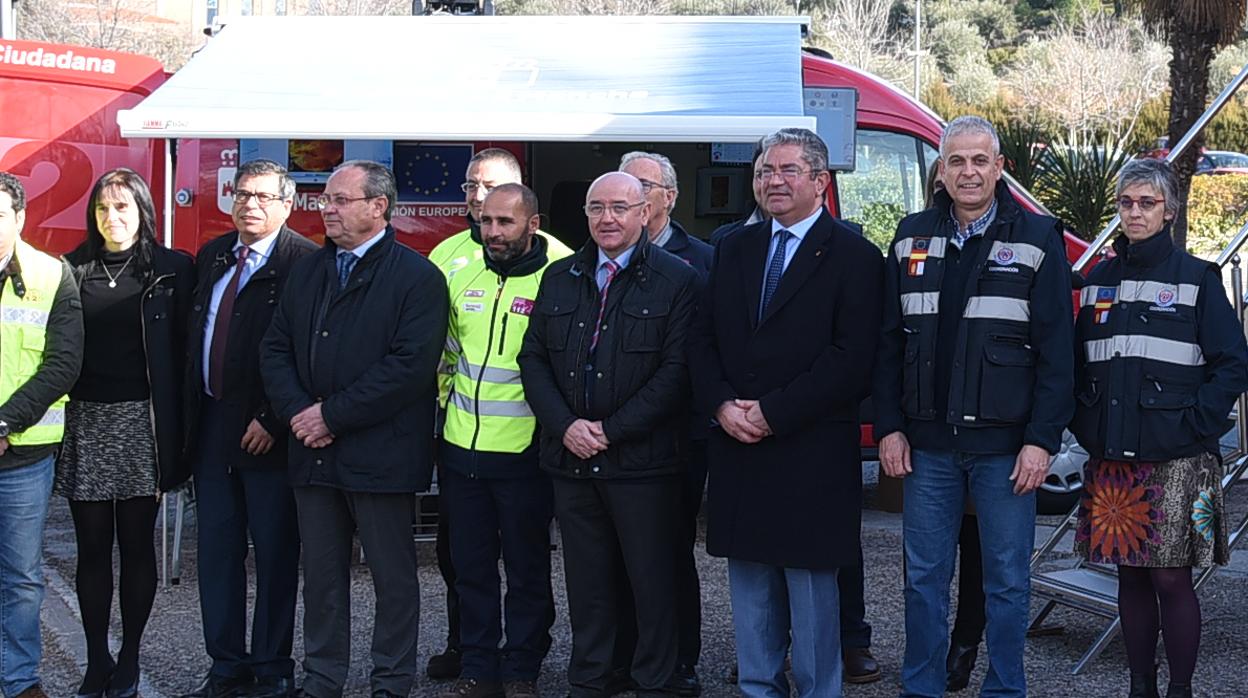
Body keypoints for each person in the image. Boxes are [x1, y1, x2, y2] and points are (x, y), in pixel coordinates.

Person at [874, 115, 1074, 698]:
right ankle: (923, 687)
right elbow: (888, 345)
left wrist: (1041, 440)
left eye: (979, 161)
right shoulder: (909, 236)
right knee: (922, 581)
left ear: (999, 168)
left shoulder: (1037, 240)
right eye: (956, 161)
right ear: (941, 170)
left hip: (1007, 450)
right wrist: (889, 427)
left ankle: (1005, 688)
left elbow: (1057, 352)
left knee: (1008, 581)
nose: (968, 172)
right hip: (928, 446)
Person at [689, 127, 883, 698]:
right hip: (737, 444)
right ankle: (758, 688)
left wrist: (772, 413)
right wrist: (723, 405)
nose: (772, 181)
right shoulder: (732, 246)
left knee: (812, 588)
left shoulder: (855, 255)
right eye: (764, 171)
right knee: (749, 583)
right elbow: (701, 339)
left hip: (809, 448)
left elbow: (852, 359)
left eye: (787, 170)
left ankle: (820, 690)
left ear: (820, 182)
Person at [260, 160, 448, 698]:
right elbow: (276, 348)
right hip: (313, 453)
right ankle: (322, 679)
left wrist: (329, 416)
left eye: (341, 200)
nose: (328, 209)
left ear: (378, 207)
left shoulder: (417, 277)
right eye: (326, 200)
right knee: (321, 577)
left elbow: (409, 368)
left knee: (392, 578)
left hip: (382, 454)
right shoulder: (310, 270)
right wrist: (301, 412)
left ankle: (390, 681)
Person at [1070, 158, 1248, 698]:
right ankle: (1140, 686)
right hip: (1114, 457)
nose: (1135, 212)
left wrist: (1195, 425)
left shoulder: (1197, 279)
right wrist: (1086, 425)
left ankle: (1182, 689)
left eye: (1147, 202)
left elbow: (1233, 363)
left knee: (1172, 577)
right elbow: (1074, 365)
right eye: (1126, 202)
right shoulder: (1097, 282)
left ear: (1169, 210)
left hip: (1179, 458)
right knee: (1128, 575)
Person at [518, 172, 698, 698]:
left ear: (646, 212)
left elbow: (676, 373)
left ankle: (654, 680)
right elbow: (532, 359)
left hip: (643, 464)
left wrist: (610, 431)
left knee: (652, 582)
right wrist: (566, 426)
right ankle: (592, 678)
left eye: (620, 207)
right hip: (570, 460)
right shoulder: (560, 276)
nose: (607, 218)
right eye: (597, 208)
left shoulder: (677, 279)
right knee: (588, 583)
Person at [180, 160, 317, 698]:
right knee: (216, 552)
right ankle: (225, 666)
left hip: (270, 433)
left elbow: (308, 354)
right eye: (240, 194)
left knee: (276, 552)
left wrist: (273, 417)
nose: (249, 205)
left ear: (287, 206)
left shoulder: (304, 264)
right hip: (213, 428)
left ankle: (273, 667)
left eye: (262, 196)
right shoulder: (214, 255)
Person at [425, 148, 564, 682]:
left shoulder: (563, 268)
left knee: (528, 571)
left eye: (503, 219)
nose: (490, 226)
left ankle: (523, 668)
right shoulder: (450, 258)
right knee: (469, 568)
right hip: (461, 449)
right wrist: (443, 411)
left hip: (528, 454)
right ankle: (479, 667)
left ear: (532, 222)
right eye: (484, 217)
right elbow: (441, 349)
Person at [59, 168, 195, 698]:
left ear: (142, 210)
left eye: (122, 208)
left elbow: (186, 356)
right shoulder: (71, 270)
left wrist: (184, 434)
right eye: (101, 209)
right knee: (92, 547)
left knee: (137, 544)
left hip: (145, 421)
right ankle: (98, 659)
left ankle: (132, 658)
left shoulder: (172, 270)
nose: (111, 219)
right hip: (88, 422)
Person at [616, 150, 712, 695]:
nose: (633, 192)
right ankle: (626, 653)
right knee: (615, 553)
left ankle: (679, 657)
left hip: (677, 435)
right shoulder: (599, 256)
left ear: (669, 197)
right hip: (612, 434)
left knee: (671, 550)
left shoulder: (701, 258)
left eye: (643, 184)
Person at [0, 172, 84, 698]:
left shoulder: (54, 275)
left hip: (22, 457)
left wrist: (5, 422)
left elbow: (63, 363)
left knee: (21, 580)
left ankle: (18, 680)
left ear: (20, 218)